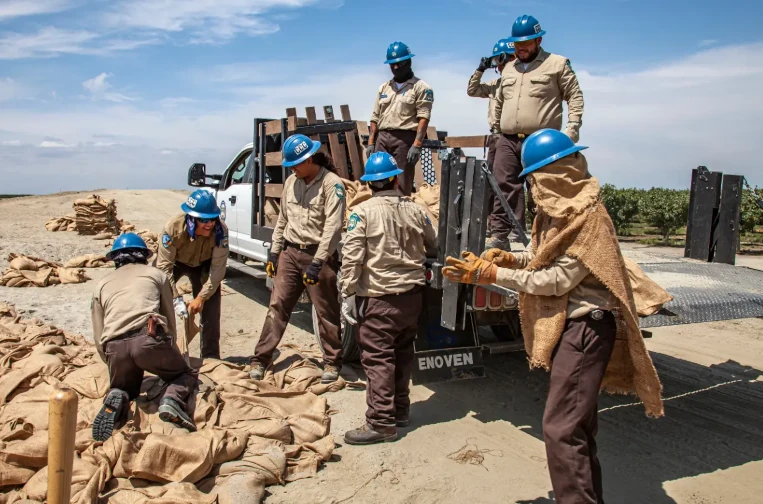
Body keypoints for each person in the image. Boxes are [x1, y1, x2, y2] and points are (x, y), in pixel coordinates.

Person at [442, 129, 664, 504]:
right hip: (573, 327)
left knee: (561, 428)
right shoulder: (559, 214)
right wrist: (512, 259)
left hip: (587, 329)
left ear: (557, 172)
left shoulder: (587, 217)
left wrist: (492, 275)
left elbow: (557, 279)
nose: (532, 187)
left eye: (536, 177)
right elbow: (545, 256)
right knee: (577, 425)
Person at [339, 152, 437, 445]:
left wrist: (347, 294)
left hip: (379, 299)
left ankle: (381, 423)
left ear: (369, 184)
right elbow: (433, 243)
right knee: (403, 353)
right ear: (395, 178)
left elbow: (352, 257)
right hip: (411, 298)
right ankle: (400, 411)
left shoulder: (363, 213)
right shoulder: (417, 210)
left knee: (378, 359)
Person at [249, 134, 346, 383]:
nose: (292, 169)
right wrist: (274, 251)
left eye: (296, 164)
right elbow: (282, 219)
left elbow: (333, 228)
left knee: (326, 311)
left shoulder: (332, 184)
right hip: (290, 253)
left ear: (310, 158)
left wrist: (318, 262)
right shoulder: (291, 182)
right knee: (277, 306)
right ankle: (260, 359)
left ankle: (332, 363)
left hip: (318, 255)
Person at [488, 14, 584, 250]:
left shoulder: (557, 64)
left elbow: (575, 96)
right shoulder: (509, 68)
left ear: (538, 41)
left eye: (526, 44)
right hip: (509, 139)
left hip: (542, 141)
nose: (521, 49)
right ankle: (502, 236)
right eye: (518, 45)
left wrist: (572, 128)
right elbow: (499, 100)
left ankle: (546, 237)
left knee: (542, 188)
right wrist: (497, 129)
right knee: (503, 185)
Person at [91, 233, 198, 442]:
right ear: (143, 256)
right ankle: (171, 400)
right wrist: (170, 349)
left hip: (114, 347)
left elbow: (98, 332)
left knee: (126, 387)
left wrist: (109, 360)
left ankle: (119, 395)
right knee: (184, 375)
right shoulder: (156, 275)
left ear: (115, 259)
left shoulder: (101, 284)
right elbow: (168, 317)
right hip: (148, 339)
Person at [156, 189, 228, 360]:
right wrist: (175, 298)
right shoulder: (172, 229)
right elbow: (164, 268)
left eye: (212, 219)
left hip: (204, 264)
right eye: (203, 220)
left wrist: (201, 298)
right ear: (191, 218)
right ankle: (160, 352)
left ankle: (210, 356)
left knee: (210, 305)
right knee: (157, 293)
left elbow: (218, 270)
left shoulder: (220, 232)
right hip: (176, 262)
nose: (209, 225)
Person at [366, 41, 434, 196]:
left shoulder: (421, 87)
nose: (395, 68)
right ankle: (378, 212)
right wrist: (371, 143)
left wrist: (416, 145)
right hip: (382, 138)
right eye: (392, 65)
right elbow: (375, 117)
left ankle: (401, 215)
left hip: (404, 139)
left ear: (409, 62)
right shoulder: (384, 88)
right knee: (378, 179)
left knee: (402, 183)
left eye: (399, 63)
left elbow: (424, 117)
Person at [467, 38, 516, 240]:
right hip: (495, 136)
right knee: (490, 182)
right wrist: (481, 68)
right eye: (497, 61)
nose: (500, 65)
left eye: (502, 60)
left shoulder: (519, 83)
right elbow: (472, 90)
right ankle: (491, 224)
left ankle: (512, 226)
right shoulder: (495, 84)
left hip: (511, 135)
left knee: (511, 184)